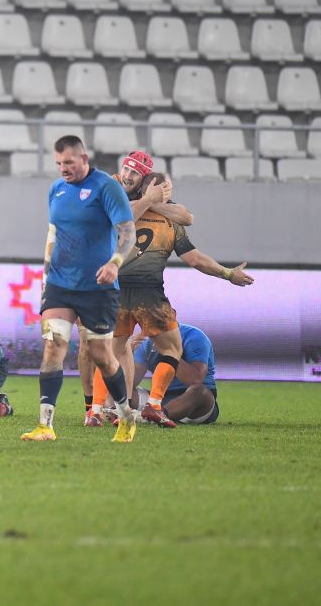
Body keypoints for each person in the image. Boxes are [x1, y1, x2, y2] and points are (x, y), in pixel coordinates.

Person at [88, 171, 252, 428]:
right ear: (155, 188)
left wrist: (151, 200)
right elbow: (195, 259)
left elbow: (187, 216)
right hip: (149, 294)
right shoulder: (168, 222)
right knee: (172, 348)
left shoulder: (121, 212)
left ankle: (95, 410)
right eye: (166, 188)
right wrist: (228, 274)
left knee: (112, 352)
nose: (169, 193)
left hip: (117, 291)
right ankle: (154, 405)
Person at [21, 135, 140, 444]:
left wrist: (114, 262)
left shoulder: (106, 187)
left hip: (98, 287)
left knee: (101, 354)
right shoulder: (56, 190)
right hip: (60, 284)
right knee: (53, 346)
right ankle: (45, 424)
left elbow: (128, 232)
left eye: (69, 162)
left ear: (84, 158)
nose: (63, 169)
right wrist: (46, 276)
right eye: (58, 163)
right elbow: (54, 234)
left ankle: (126, 415)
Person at [76, 149, 196, 419]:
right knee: (88, 346)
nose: (128, 175)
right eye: (127, 169)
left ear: (143, 179)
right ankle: (93, 406)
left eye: (135, 173)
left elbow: (186, 217)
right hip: (90, 274)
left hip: (115, 283)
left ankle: (116, 407)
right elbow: (121, 215)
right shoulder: (109, 185)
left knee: (117, 348)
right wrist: (150, 200)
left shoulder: (144, 194)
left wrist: (152, 201)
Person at [128, 323, 220, 425]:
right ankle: (121, 411)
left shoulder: (194, 336)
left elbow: (195, 380)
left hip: (193, 405)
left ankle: (158, 415)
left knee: (199, 391)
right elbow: (131, 382)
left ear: (172, 315)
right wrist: (126, 353)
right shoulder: (146, 342)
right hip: (159, 399)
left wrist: (169, 353)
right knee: (118, 388)